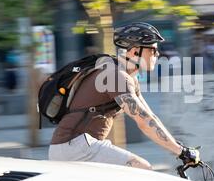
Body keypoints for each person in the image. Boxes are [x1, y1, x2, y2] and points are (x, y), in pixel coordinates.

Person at [48, 22, 200, 170]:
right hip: (75, 147)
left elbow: (150, 116)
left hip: (80, 146)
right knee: (142, 169)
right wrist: (180, 152)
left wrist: (178, 147)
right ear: (134, 52)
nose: (157, 54)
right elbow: (144, 122)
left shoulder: (128, 77)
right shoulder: (117, 76)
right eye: (153, 50)